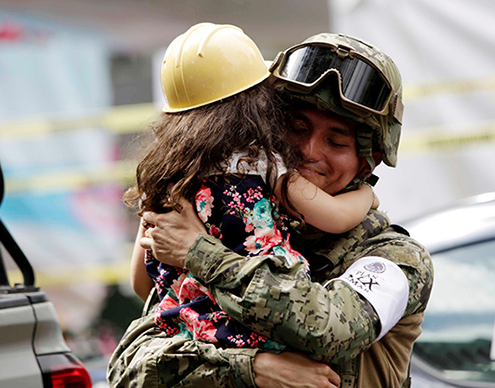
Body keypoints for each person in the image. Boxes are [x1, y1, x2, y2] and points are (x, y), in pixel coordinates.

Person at [108, 31, 433, 388]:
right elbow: (130, 368)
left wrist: (201, 255)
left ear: (368, 163)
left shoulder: (394, 258)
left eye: (336, 142)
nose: (310, 150)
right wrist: (252, 369)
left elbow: (331, 330)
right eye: (297, 128)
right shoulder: (228, 222)